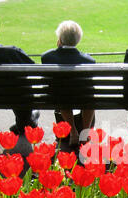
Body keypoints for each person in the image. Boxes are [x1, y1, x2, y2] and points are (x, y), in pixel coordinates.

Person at [41, 20, 95, 148]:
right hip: (83, 98)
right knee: (89, 96)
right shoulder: (88, 60)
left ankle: (73, 133)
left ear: (60, 39)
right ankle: (84, 133)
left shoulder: (47, 57)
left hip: (57, 98)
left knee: (62, 93)